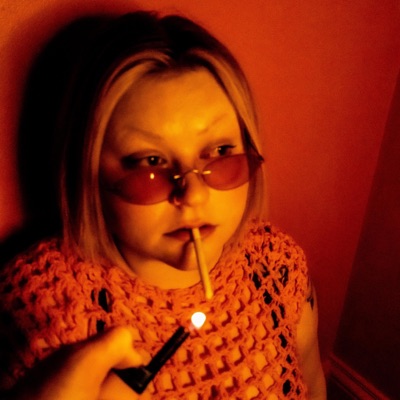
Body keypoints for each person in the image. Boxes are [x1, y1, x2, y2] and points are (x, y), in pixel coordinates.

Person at [0, 11, 326, 399]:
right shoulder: (44, 306)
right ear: (87, 172)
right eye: (150, 162)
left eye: (220, 152)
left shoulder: (275, 267)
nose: (194, 195)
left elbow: (312, 380)